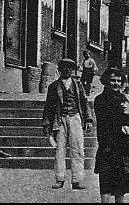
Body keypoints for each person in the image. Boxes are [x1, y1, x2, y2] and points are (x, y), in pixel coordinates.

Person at [42, 58, 92, 190]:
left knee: (78, 149)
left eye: (70, 67)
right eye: (64, 67)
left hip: (75, 118)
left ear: (73, 70)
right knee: (60, 149)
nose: (67, 70)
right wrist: (46, 124)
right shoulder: (53, 86)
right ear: (59, 70)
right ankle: (59, 178)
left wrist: (88, 119)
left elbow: (84, 103)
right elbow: (48, 107)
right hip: (60, 119)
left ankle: (77, 180)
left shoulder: (78, 85)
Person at [94, 67, 129, 203]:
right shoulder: (100, 100)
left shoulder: (124, 98)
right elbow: (111, 120)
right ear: (106, 81)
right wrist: (126, 116)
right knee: (106, 182)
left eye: (119, 81)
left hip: (124, 145)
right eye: (113, 80)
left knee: (121, 184)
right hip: (108, 145)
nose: (116, 83)